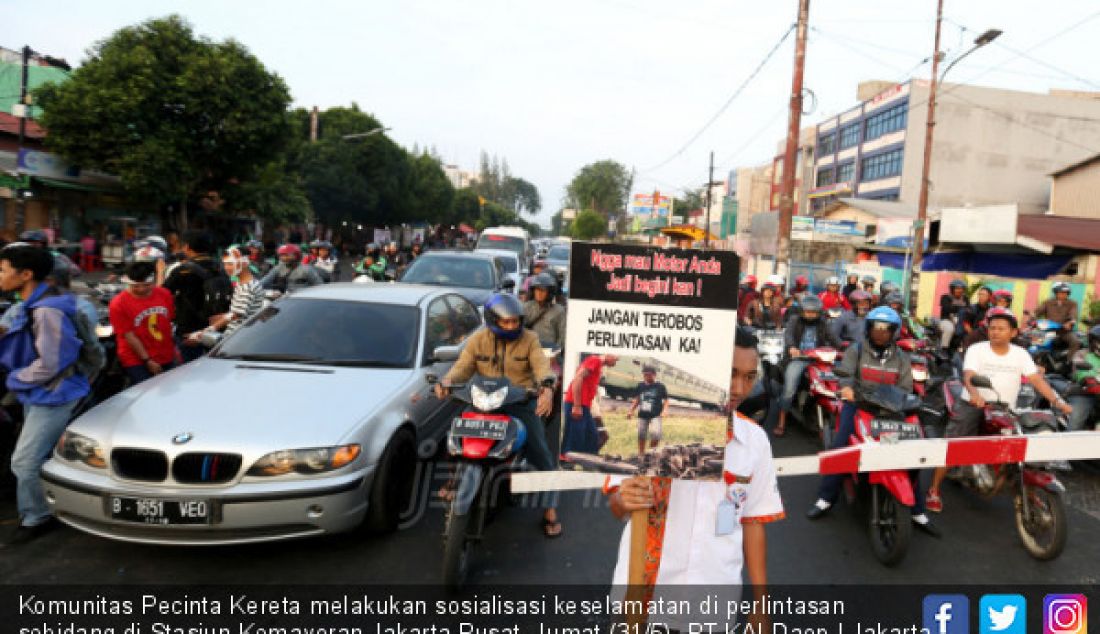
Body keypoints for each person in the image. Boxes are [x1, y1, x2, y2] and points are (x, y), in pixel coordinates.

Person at [607, 328, 782, 601]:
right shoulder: (653, 430)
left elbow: (752, 522)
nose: (739, 389)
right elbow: (617, 505)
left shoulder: (755, 441)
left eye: (749, 377)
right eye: (731, 373)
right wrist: (624, 498)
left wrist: (761, 604)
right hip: (643, 595)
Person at [806, 307, 940, 537]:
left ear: (894, 332)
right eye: (876, 327)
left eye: (886, 328)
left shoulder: (902, 357)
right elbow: (845, 374)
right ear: (868, 329)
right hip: (858, 405)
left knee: (910, 452)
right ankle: (826, 498)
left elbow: (906, 386)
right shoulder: (855, 351)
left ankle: (917, 510)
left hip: (891, 410)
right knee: (841, 448)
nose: (880, 333)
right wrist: (847, 388)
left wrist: (900, 400)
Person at [436, 293, 562, 537]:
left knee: (541, 452)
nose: (512, 326)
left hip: (519, 401)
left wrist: (546, 388)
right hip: (483, 399)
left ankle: (550, 507)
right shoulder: (478, 339)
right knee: (454, 437)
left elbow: (541, 366)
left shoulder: (530, 339)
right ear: (493, 320)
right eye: (506, 322)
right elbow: (463, 366)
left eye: (515, 321)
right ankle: (454, 479)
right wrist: (447, 381)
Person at [926, 307, 1072, 512]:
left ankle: (1027, 492)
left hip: (1005, 408)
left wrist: (1058, 402)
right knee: (953, 445)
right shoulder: (977, 349)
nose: (995, 331)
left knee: (1021, 446)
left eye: (1001, 328)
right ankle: (934, 489)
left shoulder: (1020, 354)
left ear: (1013, 332)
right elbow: (969, 375)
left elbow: (1036, 380)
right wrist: (975, 394)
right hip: (974, 404)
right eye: (992, 328)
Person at [0, 246, 90, 544]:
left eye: (2, 270)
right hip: (39, 392)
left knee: (23, 461)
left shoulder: (48, 310)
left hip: (53, 393)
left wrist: (15, 378)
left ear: (26, 275)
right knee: (39, 454)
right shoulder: (32, 302)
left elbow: (51, 364)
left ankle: (37, 516)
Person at [162, 231, 233, 363]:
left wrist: (160, 271)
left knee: (187, 370)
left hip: (189, 330)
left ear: (187, 247)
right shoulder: (220, 267)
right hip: (216, 327)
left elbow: (163, 293)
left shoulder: (183, 270)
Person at [774, 295, 840, 437]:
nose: (810, 314)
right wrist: (792, 347)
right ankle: (781, 420)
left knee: (834, 382)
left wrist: (843, 348)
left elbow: (834, 338)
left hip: (818, 359)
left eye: (814, 312)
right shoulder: (794, 320)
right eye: (808, 312)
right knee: (790, 387)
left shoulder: (823, 323)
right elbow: (789, 335)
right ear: (802, 311)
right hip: (799, 358)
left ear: (819, 312)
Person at [109, 261, 178, 385]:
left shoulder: (164, 294)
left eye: (146, 285)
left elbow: (168, 323)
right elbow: (129, 336)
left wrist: (174, 349)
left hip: (165, 353)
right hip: (136, 358)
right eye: (135, 286)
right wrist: (147, 360)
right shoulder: (118, 303)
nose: (141, 289)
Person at [562, 353, 619, 455]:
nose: (616, 362)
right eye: (616, 359)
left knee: (592, 436)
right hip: (577, 403)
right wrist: (577, 405)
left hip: (585, 405)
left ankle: (589, 461)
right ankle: (566, 461)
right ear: (608, 354)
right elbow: (578, 378)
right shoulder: (595, 360)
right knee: (575, 436)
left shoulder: (598, 364)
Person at [208, 247, 265, 337]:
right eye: (225, 264)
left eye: (230, 264)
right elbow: (240, 312)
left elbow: (236, 315)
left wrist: (208, 330)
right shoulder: (243, 283)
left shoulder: (247, 286)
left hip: (238, 337)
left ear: (245, 263)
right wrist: (222, 316)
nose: (226, 268)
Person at [628, 365, 669, 455]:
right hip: (643, 414)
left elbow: (666, 400)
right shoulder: (640, 385)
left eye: (649, 375)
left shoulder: (660, 386)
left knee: (656, 434)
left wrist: (665, 411)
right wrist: (631, 410)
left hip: (656, 414)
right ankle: (641, 454)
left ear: (654, 375)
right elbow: (637, 399)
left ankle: (650, 453)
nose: (646, 377)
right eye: (645, 375)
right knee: (641, 434)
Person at [1034, 282, 1080, 357]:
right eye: (1060, 292)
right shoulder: (1048, 302)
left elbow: (1073, 314)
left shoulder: (1072, 303)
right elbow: (1038, 311)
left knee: (1075, 342)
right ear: (1056, 292)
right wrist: (1032, 316)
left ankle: (1068, 361)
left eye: (1065, 293)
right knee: (1033, 340)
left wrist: (1070, 322)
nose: (1063, 294)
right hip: (1047, 330)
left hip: (1063, 331)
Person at [1069, 326, 1100, 432]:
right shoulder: (1082, 354)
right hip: (1084, 392)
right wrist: (1088, 379)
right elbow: (1079, 371)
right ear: (1093, 341)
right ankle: (1068, 443)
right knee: (1075, 423)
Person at [522, 273, 565, 348]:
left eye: (543, 290)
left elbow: (562, 336)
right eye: (537, 289)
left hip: (549, 351)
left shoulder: (559, 311)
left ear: (550, 293)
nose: (539, 293)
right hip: (530, 349)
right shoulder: (526, 307)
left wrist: (556, 352)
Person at [937, 279, 970, 351]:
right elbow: (947, 309)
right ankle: (944, 349)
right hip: (946, 320)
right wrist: (961, 308)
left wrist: (959, 309)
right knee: (949, 329)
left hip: (961, 320)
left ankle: (964, 349)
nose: (959, 291)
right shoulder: (945, 297)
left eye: (962, 289)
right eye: (957, 288)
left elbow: (968, 310)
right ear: (952, 289)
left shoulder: (966, 299)